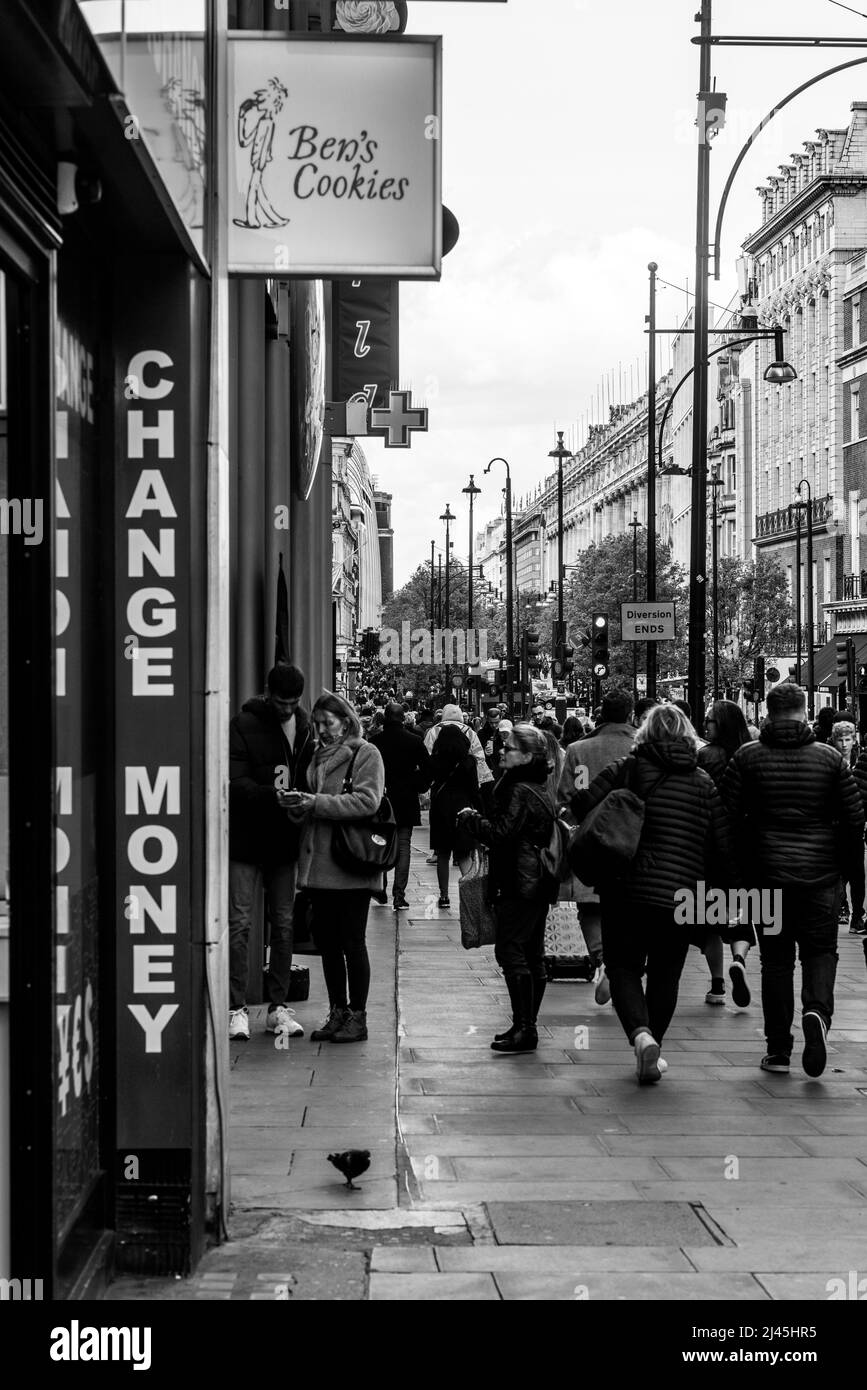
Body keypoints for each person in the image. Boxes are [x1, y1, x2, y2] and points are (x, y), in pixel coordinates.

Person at [570, 704, 737, 1084]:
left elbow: (582, 804)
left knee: (623, 966)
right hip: (682, 894)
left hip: (625, 887)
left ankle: (640, 1034)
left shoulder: (627, 768)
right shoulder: (702, 782)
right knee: (666, 974)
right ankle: (653, 1042)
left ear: (645, 733)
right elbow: (722, 846)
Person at [720, 683, 865, 1077]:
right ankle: (816, 1011)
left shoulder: (746, 758)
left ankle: (778, 1049)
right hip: (821, 876)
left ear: (768, 712)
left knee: (776, 962)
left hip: (766, 877)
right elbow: (853, 823)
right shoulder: (831, 759)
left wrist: (735, 877)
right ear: (804, 711)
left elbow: (727, 823)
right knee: (820, 952)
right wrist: (853, 879)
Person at [285, 692, 386, 1044]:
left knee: (352, 942)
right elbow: (316, 805)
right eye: (318, 724)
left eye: (329, 723)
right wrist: (299, 805)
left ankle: (357, 1016)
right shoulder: (317, 755)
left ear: (346, 720)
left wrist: (316, 802)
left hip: (350, 863)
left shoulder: (365, 753)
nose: (323, 730)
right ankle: (337, 1011)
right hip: (319, 864)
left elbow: (367, 801)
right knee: (327, 943)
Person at [459, 725, 559, 1053]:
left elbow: (502, 833)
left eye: (510, 748)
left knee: (511, 950)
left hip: (520, 880)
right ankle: (524, 1026)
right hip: (537, 881)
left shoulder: (519, 789)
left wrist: (472, 819)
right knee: (532, 954)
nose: (502, 751)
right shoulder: (539, 786)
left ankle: (525, 1027)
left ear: (528, 756)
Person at [228, 663, 314, 1041]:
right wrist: (274, 796)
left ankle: (277, 1007)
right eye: (282, 702)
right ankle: (236, 1007)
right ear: (268, 693)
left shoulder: (305, 724)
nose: (287, 709)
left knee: (283, 925)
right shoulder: (244, 724)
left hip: (283, 839)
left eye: (293, 702)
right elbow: (235, 781)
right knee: (241, 924)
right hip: (248, 838)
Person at [558, 690, 636, 1005]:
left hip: (590, 841)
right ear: (630, 714)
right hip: (634, 841)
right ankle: (626, 966)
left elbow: (565, 801)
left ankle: (602, 958)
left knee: (590, 907)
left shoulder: (578, 750)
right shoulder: (642, 748)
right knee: (630, 909)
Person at [697, 699, 756, 1007]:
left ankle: (718, 985)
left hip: (710, 847)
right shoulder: (751, 754)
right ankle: (740, 959)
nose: (705, 724)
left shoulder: (705, 756)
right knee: (744, 910)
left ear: (722, 724)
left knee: (708, 916)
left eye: (710, 720)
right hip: (745, 847)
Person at [369, 701, 432, 911]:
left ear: (386, 718)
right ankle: (399, 895)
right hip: (406, 798)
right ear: (403, 718)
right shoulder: (414, 740)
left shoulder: (375, 741)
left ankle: (380, 889)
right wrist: (418, 784)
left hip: (382, 799)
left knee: (381, 844)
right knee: (403, 845)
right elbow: (428, 769)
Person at [427, 719, 484, 908]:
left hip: (441, 808)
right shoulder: (468, 762)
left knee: (442, 854)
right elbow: (475, 790)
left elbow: (426, 782)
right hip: (463, 810)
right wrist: (481, 812)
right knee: (464, 855)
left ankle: (444, 896)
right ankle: (471, 895)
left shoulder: (435, 760)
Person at [828, 720, 865, 931]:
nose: (844, 744)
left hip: (855, 828)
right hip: (834, 828)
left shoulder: (859, 764)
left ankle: (857, 914)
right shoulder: (830, 764)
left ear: (854, 740)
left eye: (847, 740)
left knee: (858, 874)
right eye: (840, 740)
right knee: (838, 873)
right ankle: (842, 909)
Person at [478, 707, 507, 776]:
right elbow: (477, 754)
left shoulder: (505, 732)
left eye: (496, 722)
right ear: (487, 720)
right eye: (491, 723)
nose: (494, 725)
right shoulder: (481, 733)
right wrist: (484, 753)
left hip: (503, 768)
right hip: (487, 769)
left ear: (501, 719)